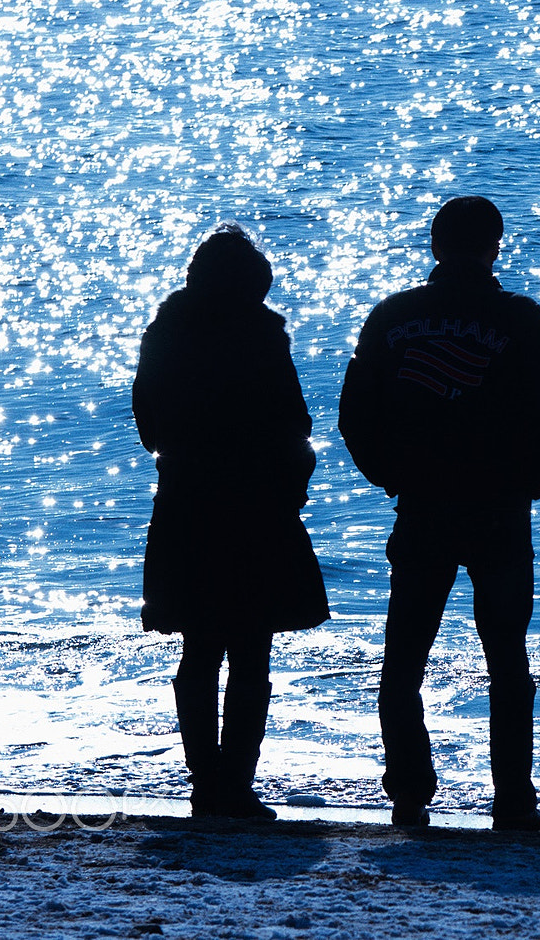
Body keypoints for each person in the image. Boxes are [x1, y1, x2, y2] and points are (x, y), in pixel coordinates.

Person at [339, 195, 540, 831]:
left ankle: (409, 792)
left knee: (404, 655)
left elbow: (355, 414)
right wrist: (534, 481)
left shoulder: (393, 316)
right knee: (507, 658)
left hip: (423, 504)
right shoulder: (521, 319)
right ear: (495, 246)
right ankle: (513, 799)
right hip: (499, 507)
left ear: (434, 246)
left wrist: (391, 476)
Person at [132, 224, 329, 820]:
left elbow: (148, 429)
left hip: (187, 504)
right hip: (257, 508)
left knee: (198, 647)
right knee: (251, 650)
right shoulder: (263, 334)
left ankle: (204, 782)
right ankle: (236, 783)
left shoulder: (165, 331)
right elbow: (295, 420)